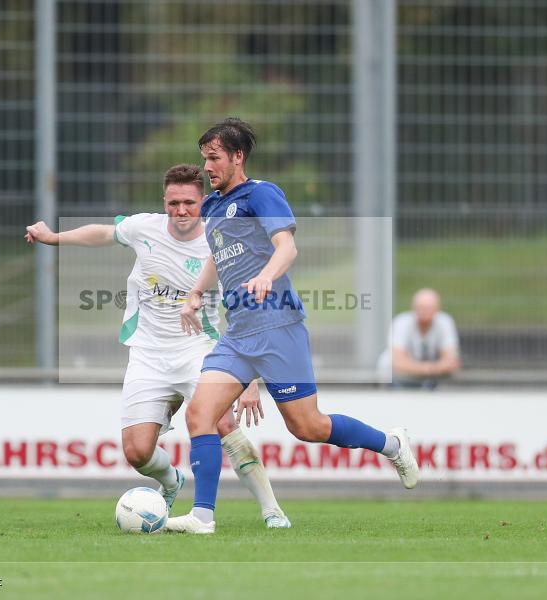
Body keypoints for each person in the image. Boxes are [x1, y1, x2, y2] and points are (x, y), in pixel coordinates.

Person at [165, 118, 419, 535]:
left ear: (237, 157)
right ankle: (202, 516)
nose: (207, 166)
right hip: (237, 335)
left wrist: (267, 275)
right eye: (204, 158)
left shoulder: (261, 194)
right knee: (200, 414)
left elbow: (287, 247)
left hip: (277, 326)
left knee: (307, 426)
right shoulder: (211, 207)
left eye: (214, 158)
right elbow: (217, 255)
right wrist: (195, 292)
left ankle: (392, 444)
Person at [25, 163, 291, 528]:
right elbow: (102, 233)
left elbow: (244, 308)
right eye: (173, 203)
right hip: (147, 355)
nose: (180, 211)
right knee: (137, 452)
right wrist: (54, 237)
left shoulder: (221, 239)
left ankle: (272, 510)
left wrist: (249, 379)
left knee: (224, 423)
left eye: (189, 203)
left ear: (203, 201)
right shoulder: (143, 228)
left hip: (199, 350)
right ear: (164, 201)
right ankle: (171, 480)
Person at [389, 288, 460, 390]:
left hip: (430, 379)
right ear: (413, 308)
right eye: (421, 307)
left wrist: (424, 369)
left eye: (429, 308)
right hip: (399, 380)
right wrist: (431, 369)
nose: (424, 311)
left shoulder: (445, 322)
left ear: (438, 309)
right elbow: (398, 363)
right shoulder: (401, 323)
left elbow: (451, 361)